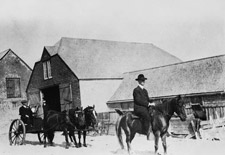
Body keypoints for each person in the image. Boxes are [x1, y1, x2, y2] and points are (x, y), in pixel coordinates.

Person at [133, 74, 155, 140]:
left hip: (145, 107)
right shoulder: (136, 90)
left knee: (154, 113)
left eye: (144, 80)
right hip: (139, 108)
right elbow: (138, 100)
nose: (143, 81)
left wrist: (153, 101)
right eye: (142, 80)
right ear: (139, 81)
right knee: (147, 115)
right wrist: (148, 104)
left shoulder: (145, 91)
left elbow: (147, 99)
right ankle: (147, 132)